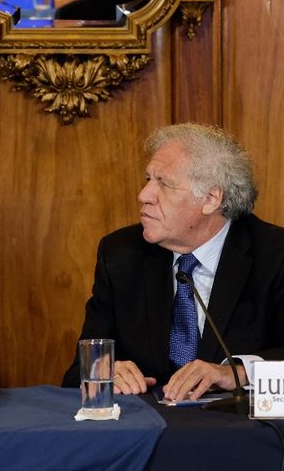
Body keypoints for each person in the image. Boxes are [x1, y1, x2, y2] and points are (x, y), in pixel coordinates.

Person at [63, 123, 284, 401]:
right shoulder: (121, 253)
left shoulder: (275, 256)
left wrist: (235, 374)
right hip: (148, 434)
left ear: (211, 199)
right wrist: (104, 372)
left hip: (242, 435)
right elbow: (76, 374)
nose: (144, 196)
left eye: (163, 184)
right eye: (148, 180)